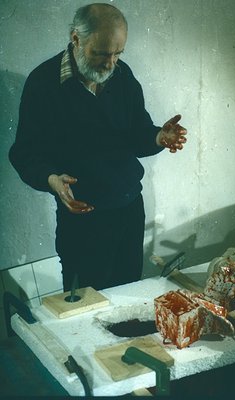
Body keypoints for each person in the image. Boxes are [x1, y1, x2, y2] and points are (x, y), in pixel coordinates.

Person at [9, 3, 187, 291]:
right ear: (76, 38)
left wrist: (158, 138)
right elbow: (25, 153)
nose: (110, 64)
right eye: (102, 54)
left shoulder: (122, 75)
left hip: (129, 211)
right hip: (83, 221)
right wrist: (52, 180)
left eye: (118, 54)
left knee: (127, 300)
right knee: (86, 312)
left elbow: (136, 134)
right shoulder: (43, 83)